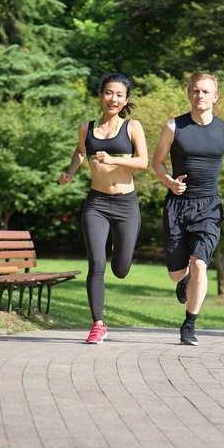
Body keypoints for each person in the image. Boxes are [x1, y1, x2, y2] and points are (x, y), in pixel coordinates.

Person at [152, 72, 224, 346]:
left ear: (215, 96)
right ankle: (184, 281)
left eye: (205, 91)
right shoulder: (174, 126)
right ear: (188, 94)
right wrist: (169, 181)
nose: (199, 95)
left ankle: (189, 325)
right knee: (176, 273)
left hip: (209, 206)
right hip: (177, 205)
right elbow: (157, 162)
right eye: (195, 91)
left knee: (200, 264)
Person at [59, 73, 148, 344]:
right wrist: (70, 173)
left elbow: (143, 162)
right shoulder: (86, 127)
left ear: (125, 100)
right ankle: (98, 323)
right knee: (96, 263)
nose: (114, 98)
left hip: (126, 204)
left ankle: (120, 257)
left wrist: (113, 159)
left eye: (119, 95)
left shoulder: (132, 127)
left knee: (120, 269)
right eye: (109, 93)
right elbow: (79, 151)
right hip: (96, 203)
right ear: (101, 95)